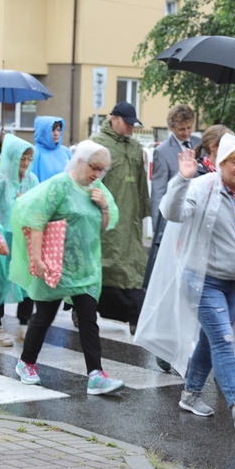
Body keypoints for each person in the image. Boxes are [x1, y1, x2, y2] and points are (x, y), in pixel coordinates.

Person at [136, 134, 235, 429]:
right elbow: (172, 212)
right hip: (205, 280)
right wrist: (182, 178)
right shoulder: (203, 186)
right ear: (222, 162)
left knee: (210, 339)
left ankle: (190, 394)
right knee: (223, 339)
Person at [9, 140, 125, 395]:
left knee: (88, 319)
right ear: (80, 161)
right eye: (94, 167)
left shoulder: (96, 189)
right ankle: (25, 363)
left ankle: (95, 375)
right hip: (55, 264)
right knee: (44, 317)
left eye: (102, 170)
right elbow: (35, 217)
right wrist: (37, 259)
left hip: (85, 269)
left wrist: (103, 205)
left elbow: (105, 225)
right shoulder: (60, 184)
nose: (97, 174)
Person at [144, 123, 232, 373]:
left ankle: (216, 362)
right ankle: (171, 350)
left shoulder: (229, 174)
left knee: (209, 312)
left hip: (217, 252)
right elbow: (174, 205)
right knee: (184, 305)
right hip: (190, 248)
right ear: (214, 147)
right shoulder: (196, 171)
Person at [90, 102, 150, 334]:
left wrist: (144, 211)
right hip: (103, 217)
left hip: (130, 218)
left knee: (133, 267)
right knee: (102, 264)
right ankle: (83, 307)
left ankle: (135, 316)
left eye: (133, 123)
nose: (131, 127)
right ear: (113, 118)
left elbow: (142, 181)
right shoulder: (97, 144)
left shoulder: (136, 148)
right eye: (126, 122)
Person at [0, 134, 39, 346]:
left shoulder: (31, 180)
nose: (24, 164)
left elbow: (37, 207)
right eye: (21, 159)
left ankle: (24, 325)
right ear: (11, 157)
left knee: (27, 279)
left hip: (22, 238)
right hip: (0, 237)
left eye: (28, 159)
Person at [150, 104, 197, 230]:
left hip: (196, 217)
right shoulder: (162, 152)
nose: (186, 132)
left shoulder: (200, 144)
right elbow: (158, 192)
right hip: (175, 219)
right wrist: (158, 228)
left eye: (189, 128)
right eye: (182, 129)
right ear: (171, 127)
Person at [30, 116, 70, 182]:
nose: (56, 134)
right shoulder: (35, 153)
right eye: (52, 130)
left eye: (58, 130)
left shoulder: (65, 151)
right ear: (43, 131)